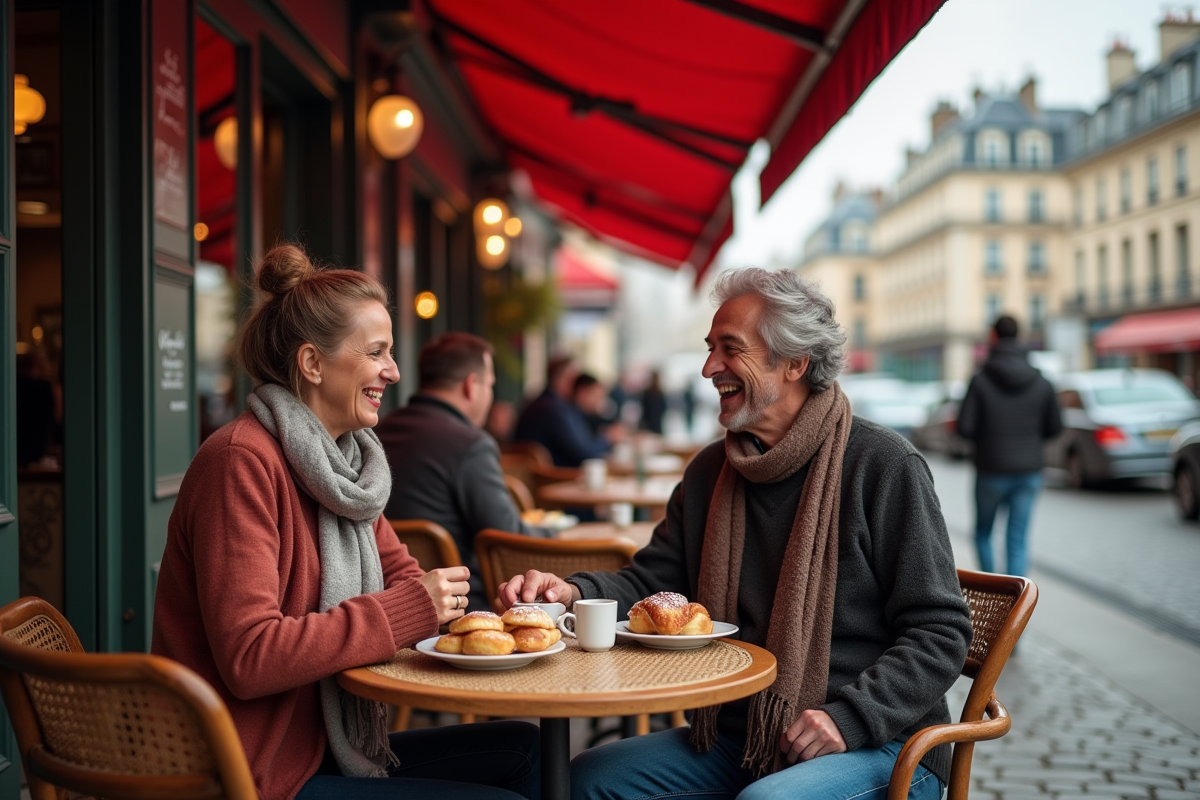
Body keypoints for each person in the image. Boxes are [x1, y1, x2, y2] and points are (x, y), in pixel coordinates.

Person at [499, 268, 971, 800]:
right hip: (740, 739)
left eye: (730, 348)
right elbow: (656, 580)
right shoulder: (710, 472)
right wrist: (575, 592)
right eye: (709, 348)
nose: (708, 368)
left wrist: (852, 718)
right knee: (587, 779)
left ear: (795, 362)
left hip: (881, 745)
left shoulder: (882, 465)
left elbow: (941, 630)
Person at [151, 245, 539, 800]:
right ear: (312, 364)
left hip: (324, 749)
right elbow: (249, 656)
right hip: (251, 770)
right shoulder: (240, 461)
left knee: (525, 749)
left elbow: (404, 578)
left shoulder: (347, 464)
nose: (394, 370)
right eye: (376, 352)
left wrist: (484, 618)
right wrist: (408, 610)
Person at [376, 332, 554, 612]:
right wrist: (557, 533)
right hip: (465, 608)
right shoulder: (471, 444)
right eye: (490, 385)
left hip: (390, 602)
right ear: (472, 385)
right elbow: (509, 538)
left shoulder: (376, 433)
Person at [957, 314, 1061, 578]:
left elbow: (964, 428)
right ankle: (1015, 605)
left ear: (993, 336)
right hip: (1028, 472)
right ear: (1020, 337)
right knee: (1018, 538)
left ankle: (992, 593)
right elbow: (1055, 427)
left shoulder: (980, 380)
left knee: (983, 533)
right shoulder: (1041, 381)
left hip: (990, 469)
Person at [513, 355, 616, 466]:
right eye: (574, 378)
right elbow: (582, 454)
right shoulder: (552, 409)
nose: (579, 383)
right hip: (550, 479)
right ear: (561, 379)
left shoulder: (553, 404)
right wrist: (608, 438)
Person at [571, 372, 615, 438]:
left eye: (601, 397)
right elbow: (585, 446)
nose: (599, 401)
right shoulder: (570, 417)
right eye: (596, 396)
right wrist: (609, 437)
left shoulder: (590, 416)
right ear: (582, 392)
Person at [639, 370, 667, 434]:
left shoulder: (647, 392)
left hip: (649, 422)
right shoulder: (659, 392)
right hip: (656, 422)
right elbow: (664, 407)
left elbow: (643, 408)